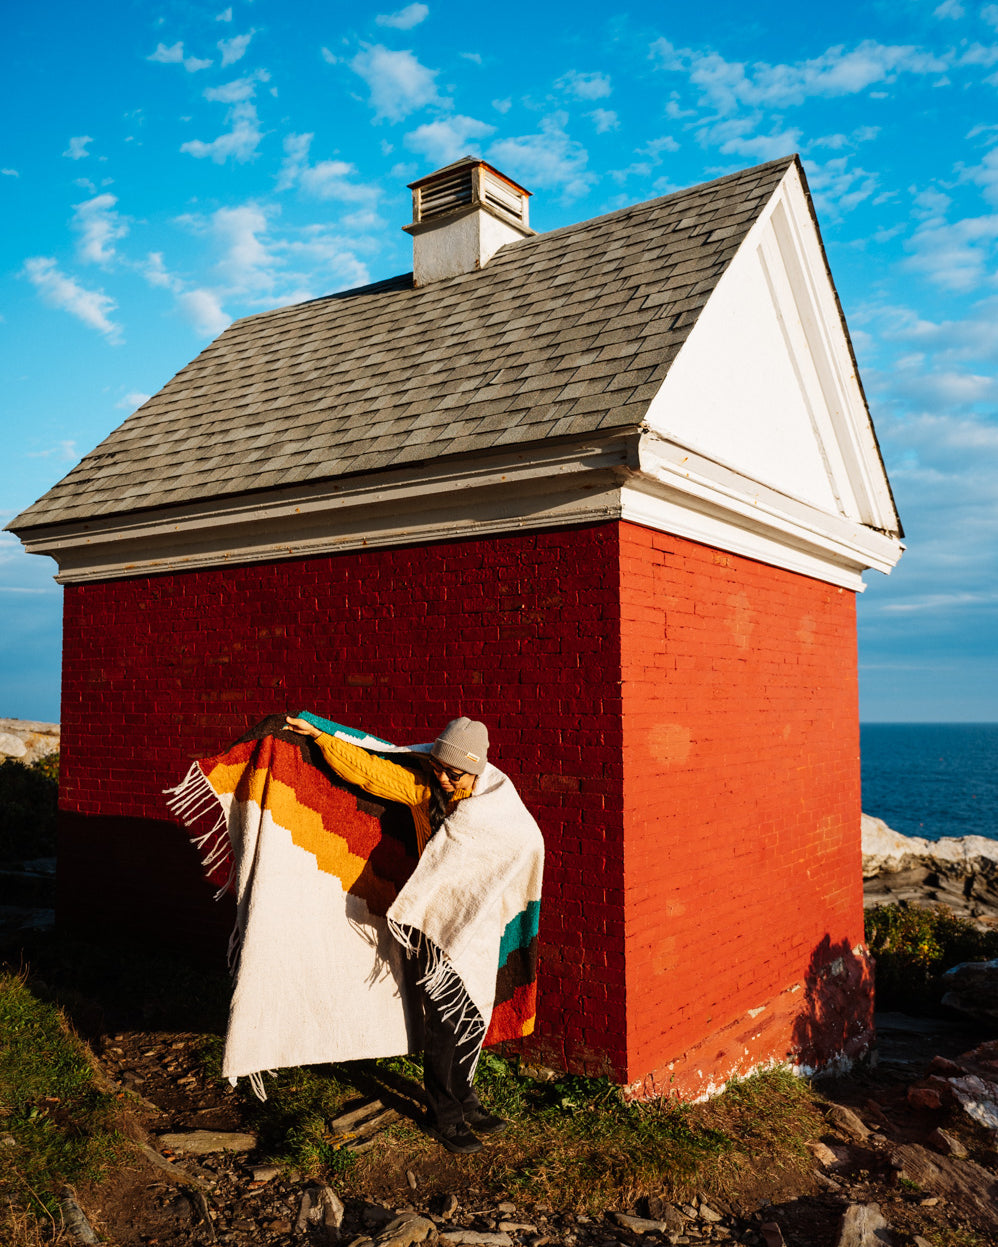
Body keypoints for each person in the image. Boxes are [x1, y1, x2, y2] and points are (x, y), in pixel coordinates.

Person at [285, 712, 508, 1155]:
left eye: (455, 772)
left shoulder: (498, 802)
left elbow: (524, 846)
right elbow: (370, 772)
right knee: (444, 1022)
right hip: (430, 924)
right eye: (438, 767)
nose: (443, 778)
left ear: (477, 768)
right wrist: (323, 738)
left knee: (472, 1016)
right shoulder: (422, 791)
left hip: (477, 926)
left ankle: (466, 1099)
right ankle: (443, 1115)